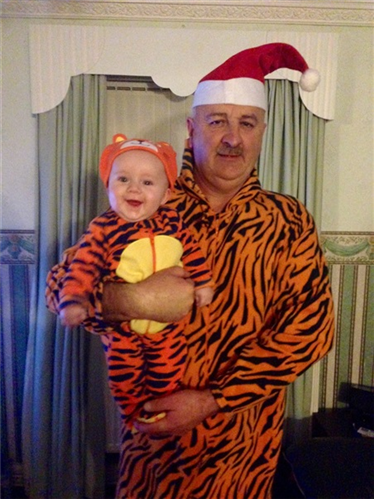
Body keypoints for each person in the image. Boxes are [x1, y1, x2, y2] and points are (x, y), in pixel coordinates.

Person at [46, 43, 334, 499]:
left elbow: (312, 332)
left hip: (244, 446)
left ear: (262, 132)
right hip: (154, 445)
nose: (232, 138)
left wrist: (212, 400)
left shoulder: (290, 220)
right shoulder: (143, 200)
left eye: (247, 123)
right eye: (217, 120)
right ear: (190, 129)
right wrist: (130, 299)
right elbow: (60, 287)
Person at [54, 134, 213, 425]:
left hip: (167, 332)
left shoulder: (173, 222)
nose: (134, 188)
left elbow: (191, 252)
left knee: (168, 374)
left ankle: (160, 416)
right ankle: (133, 420)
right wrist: (74, 301)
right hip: (122, 334)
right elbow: (83, 268)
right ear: (109, 187)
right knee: (124, 380)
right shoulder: (102, 228)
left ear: (166, 195)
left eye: (148, 182)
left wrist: (203, 283)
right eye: (123, 179)